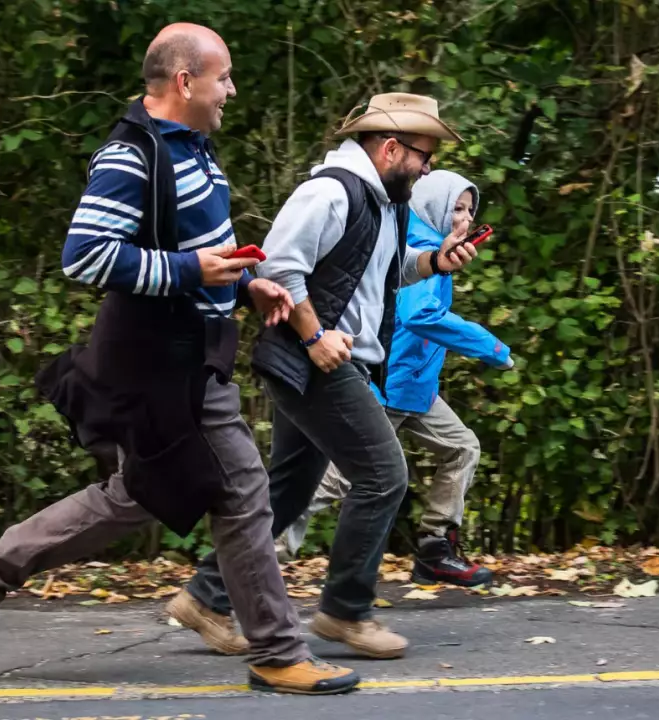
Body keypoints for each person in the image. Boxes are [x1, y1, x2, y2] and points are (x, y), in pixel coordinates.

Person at [0, 23, 360, 696]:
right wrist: (193, 271)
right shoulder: (130, 156)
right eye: (222, 77)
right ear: (184, 81)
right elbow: (85, 254)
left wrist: (244, 282)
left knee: (144, 492)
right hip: (163, 363)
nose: (231, 89)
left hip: (193, 356)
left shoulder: (194, 149)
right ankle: (279, 650)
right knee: (244, 490)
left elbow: (197, 248)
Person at [176, 93, 479, 660]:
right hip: (315, 359)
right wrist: (315, 336)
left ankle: (206, 597)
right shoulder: (330, 191)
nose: (428, 168)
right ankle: (345, 611)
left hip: (336, 358)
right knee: (384, 475)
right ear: (391, 148)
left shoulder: (382, 203)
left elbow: (380, 274)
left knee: (289, 488)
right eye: (424, 156)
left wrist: (434, 263)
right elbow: (277, 265)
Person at [278, 170, 511, 588]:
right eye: (456, 209)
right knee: (337, 478)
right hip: (390, 386)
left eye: (470, 211)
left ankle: (435, 548)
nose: (465, 220)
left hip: (417, 388)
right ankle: (264, 551)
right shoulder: (419, 244)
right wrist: (490, 347)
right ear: (433, 205)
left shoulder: (434, 247)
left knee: (462, 448)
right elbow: (419, 315)